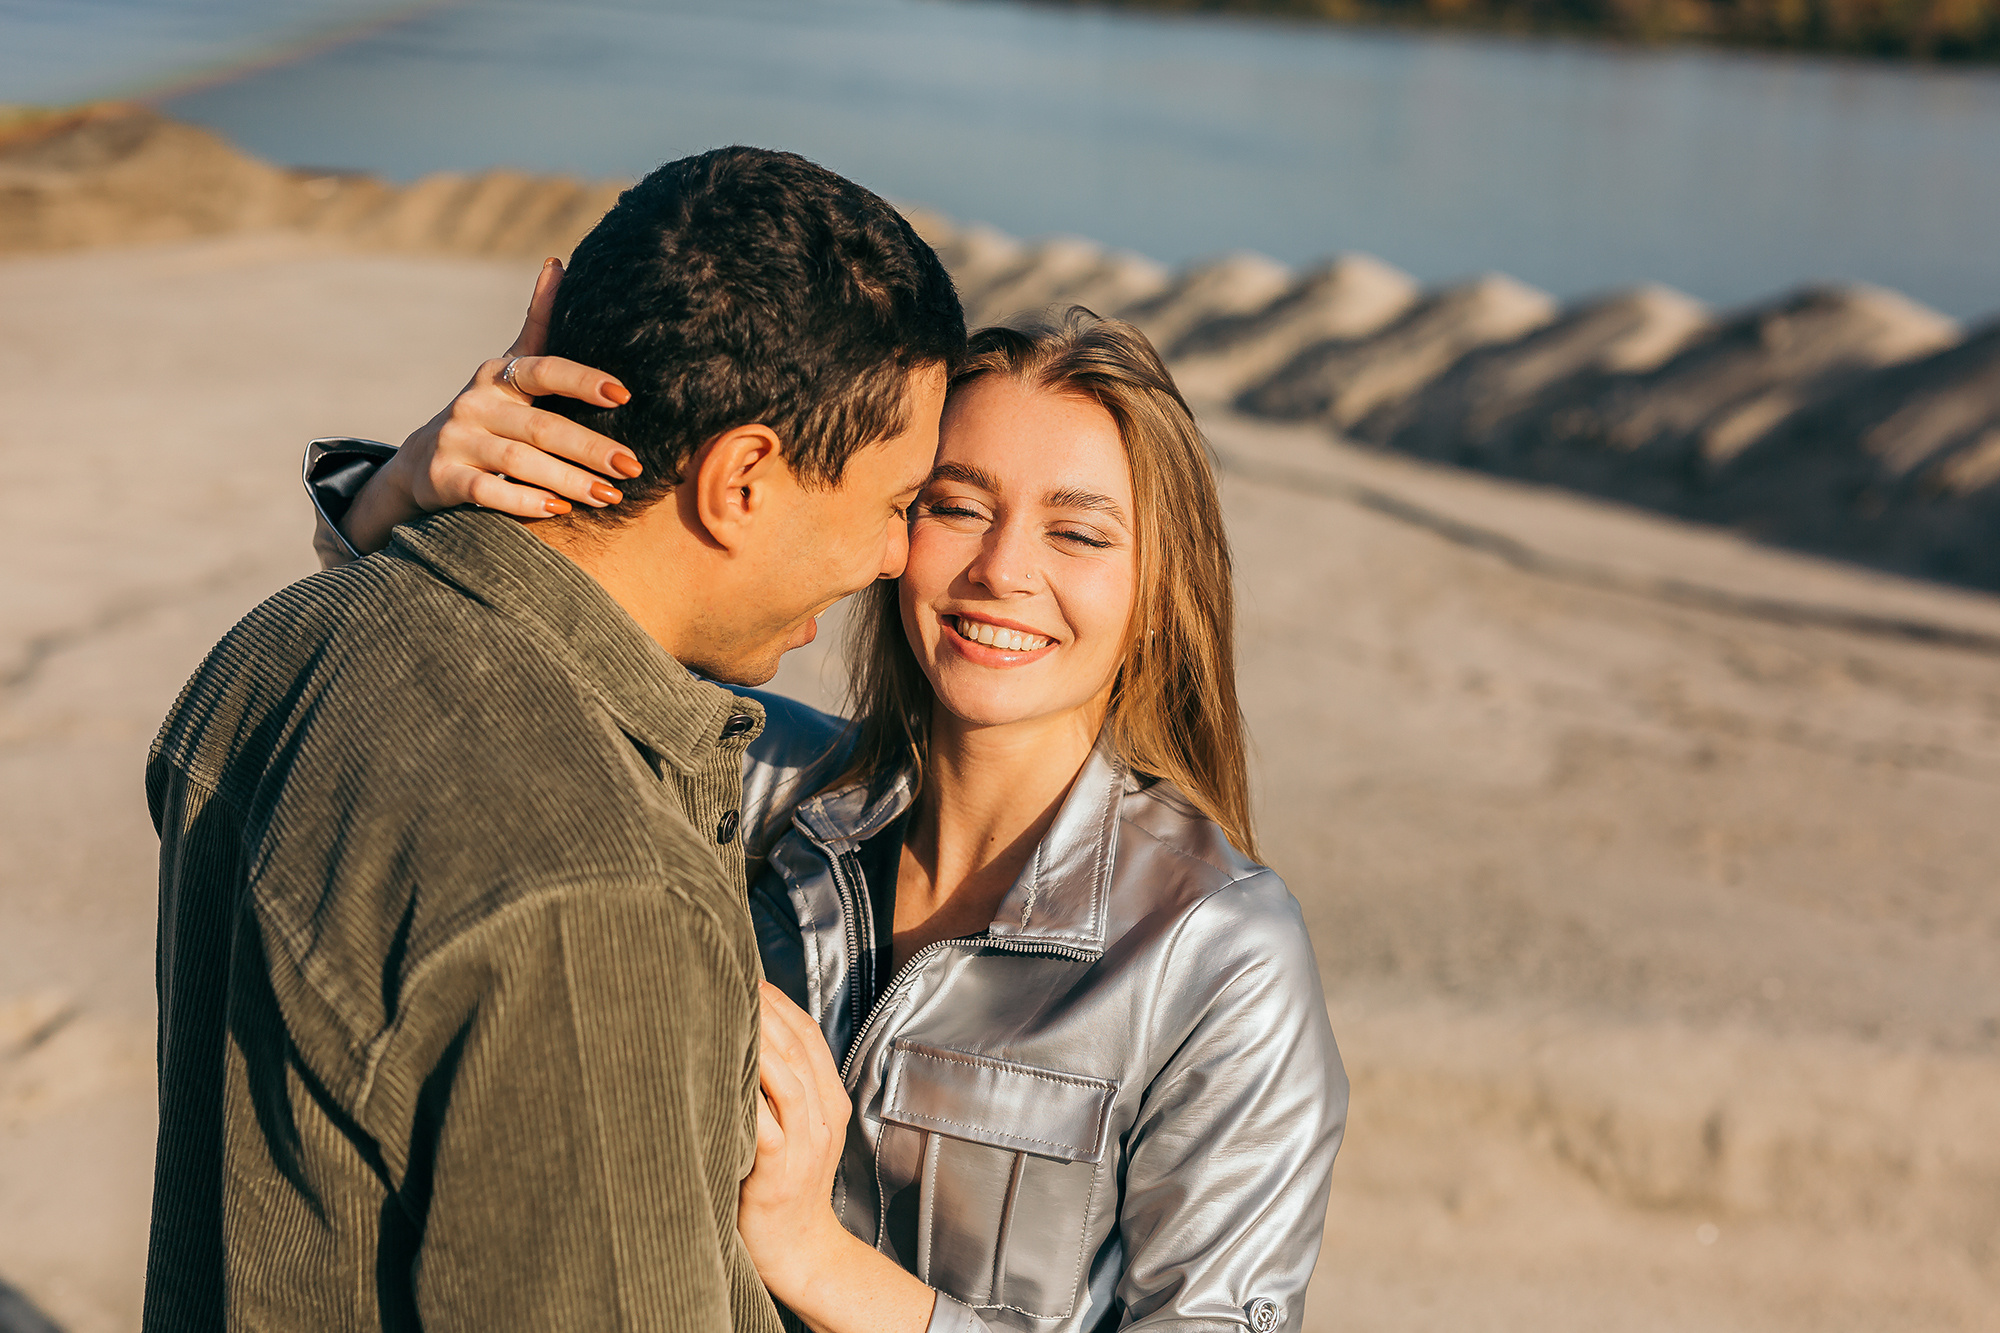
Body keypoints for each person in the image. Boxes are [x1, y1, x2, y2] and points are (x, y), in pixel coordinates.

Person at [315, 303, 1347, 1332]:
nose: (1001, 571)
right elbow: (468, 674)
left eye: (1075, 532)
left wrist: (818, 1260)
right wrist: (403, 489)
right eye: (954, 506)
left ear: (1159, 589)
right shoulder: (755, 782)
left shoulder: (1218, 948)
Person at [146, 145, 963, 1332]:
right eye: (894, 504)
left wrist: (388, 506)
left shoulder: (278, 647)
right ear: (742, 480)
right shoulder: (605, 895)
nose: (895, 559)